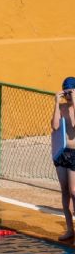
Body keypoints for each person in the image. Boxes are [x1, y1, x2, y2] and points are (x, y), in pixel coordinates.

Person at [52, 77, 75, 241]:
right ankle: (69, 229)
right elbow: (54, 126)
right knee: (65, 190)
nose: (67, 95)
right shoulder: (61, 107)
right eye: (65, 92)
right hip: (62, 152)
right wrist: (56, 103)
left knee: (74, 191)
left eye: (70, 92)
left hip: (74, 154)